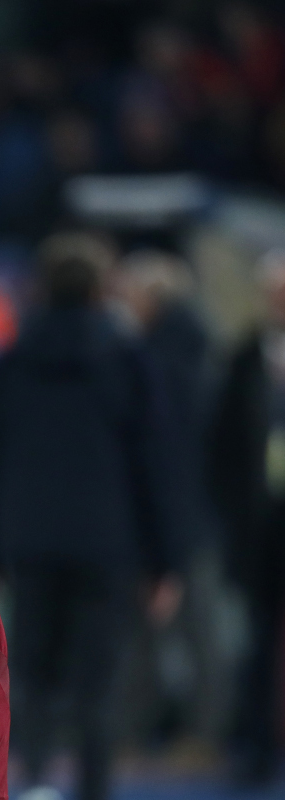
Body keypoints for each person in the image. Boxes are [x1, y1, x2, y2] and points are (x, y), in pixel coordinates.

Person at [0, 233, 178, 800]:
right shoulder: (129, 362)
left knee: (31, 673)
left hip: (28, 545)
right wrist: (166, 560)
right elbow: (154, 464)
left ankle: (32, 781)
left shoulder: (10, 363)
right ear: (101, 288)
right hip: (108, 544)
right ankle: (93, 789)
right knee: (97, 682)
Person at [208, 250, 285, 785]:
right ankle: (255, 749)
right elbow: (220, 449)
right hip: (260, 531)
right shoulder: (243, 358)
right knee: (256, 643)